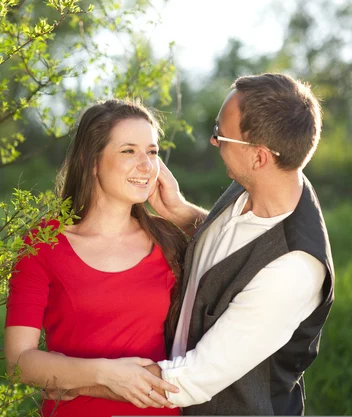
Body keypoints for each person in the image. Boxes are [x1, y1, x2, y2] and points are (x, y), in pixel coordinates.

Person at [54, 73, 334, 415]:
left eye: (221, 135)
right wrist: (184, 214)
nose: (214, 142)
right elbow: (234, 250)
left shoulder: (293, 270)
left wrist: (72, 381)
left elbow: (186, 382)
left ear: (259, 157)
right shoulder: (264, 182)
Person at [4, 99, 188, 417]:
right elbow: (20, 362)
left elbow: (208, 351)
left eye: (153, 152)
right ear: (92, 162)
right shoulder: (44, 242)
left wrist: (183, 213)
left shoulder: (170, 241)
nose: (146, 165)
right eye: (129, 151)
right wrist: (106, 374)